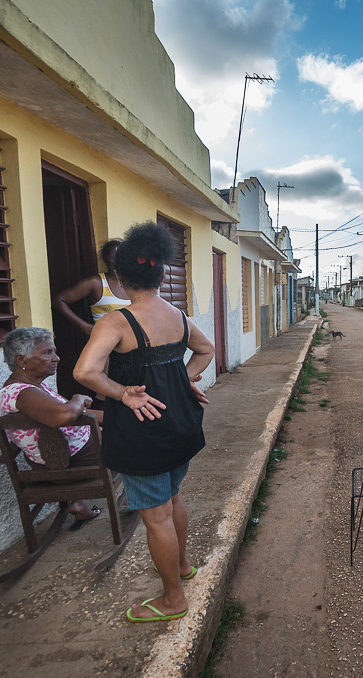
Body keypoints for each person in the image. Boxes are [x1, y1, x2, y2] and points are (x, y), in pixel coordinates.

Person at [74, 221, 214, 624]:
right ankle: (182, 566)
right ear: (161, 272)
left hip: (143, 432)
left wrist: (121, 393)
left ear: (118, 276)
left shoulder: (116, 322)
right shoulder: (178, 315)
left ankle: (173, 598)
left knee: (156, 516)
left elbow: (85, 372)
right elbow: (206, 350)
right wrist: (182, 381)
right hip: (182, 426)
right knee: (171, 500)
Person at [0, 327, 102, 527]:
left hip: (64, 461)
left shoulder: (33, 389)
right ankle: (147, 500)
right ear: (21, 360)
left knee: (125, 426)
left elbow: (79, 414)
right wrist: (78, 397)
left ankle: (78, 503)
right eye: (47, 353)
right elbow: (65, 415)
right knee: (131, 441)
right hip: (74, 463)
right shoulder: (23, 394)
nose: (57, 358)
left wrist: (121, 416)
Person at [53, 239, 130, 336]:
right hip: (107, 343)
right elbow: (59, 300)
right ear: (106, 260)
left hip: (134, 344)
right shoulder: (96, 283)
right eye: (113, 257)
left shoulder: (136, 283)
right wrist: (83, 325)